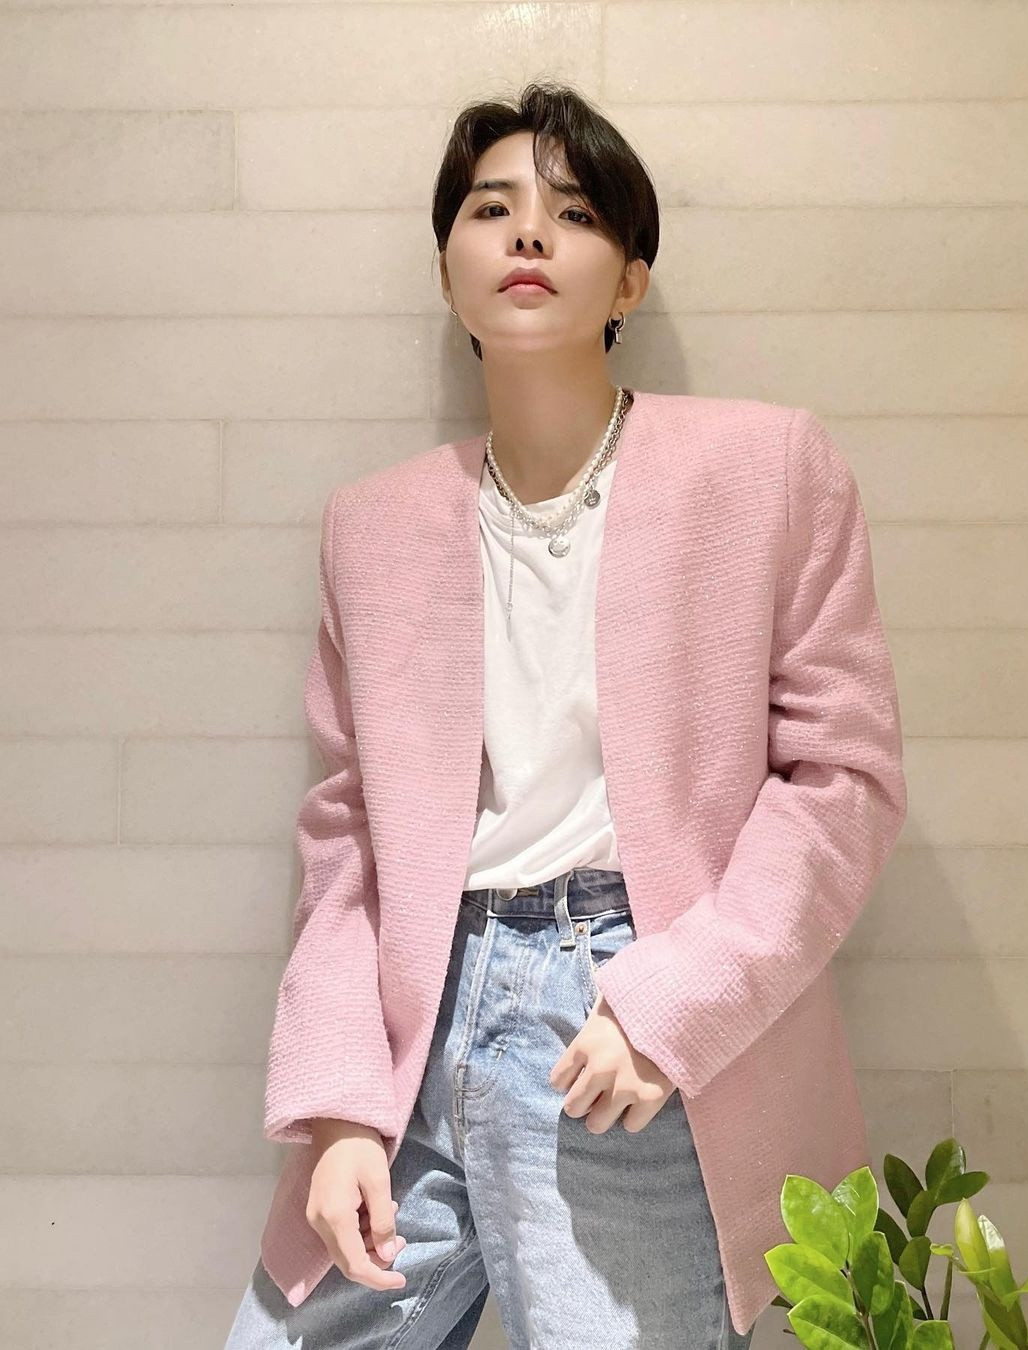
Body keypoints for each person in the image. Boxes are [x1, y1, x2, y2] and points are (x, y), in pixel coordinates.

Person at [224, 81, 906, 1349]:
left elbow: (843, 783)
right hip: (411, 1028)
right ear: (448, 271)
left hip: (624, 1027)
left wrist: (671, 1007)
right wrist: (338, 1106)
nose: (529, 233)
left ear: (630, 279)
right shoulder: (372, 528)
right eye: (492, 209)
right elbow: (346, 839)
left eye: (575, 212)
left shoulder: (765, 469)